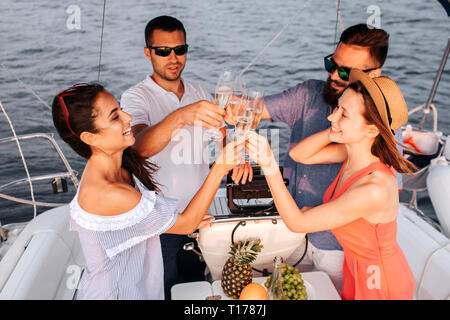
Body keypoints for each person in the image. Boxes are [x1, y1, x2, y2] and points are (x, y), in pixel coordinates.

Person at [227, 23, 391, 291]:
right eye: (331, 64)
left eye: (346, 71)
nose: (335, 76)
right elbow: (253, 112)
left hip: (339, 248)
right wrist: (234, 115)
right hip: (293, 233)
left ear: (374, 75)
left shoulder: (374, 130)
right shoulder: (308, 94)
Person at [52, 83, 243, 299]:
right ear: (90, 138)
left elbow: (132, 224)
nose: (128, 117)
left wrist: (175, 221)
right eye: (115, 116)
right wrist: (220, 167)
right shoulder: (110, 192)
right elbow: (187, 223)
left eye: (121, 108)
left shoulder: (116, 165)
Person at [246, 69, 416, 300]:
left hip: (379, 281)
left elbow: (298, 223)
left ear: (372, 129)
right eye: (337, 107)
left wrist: (268, 163)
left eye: (344, 114)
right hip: (355, 270)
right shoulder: (352, 154)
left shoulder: (374, 189)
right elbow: (300, 154)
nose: (330, 116)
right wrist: (336, 128)